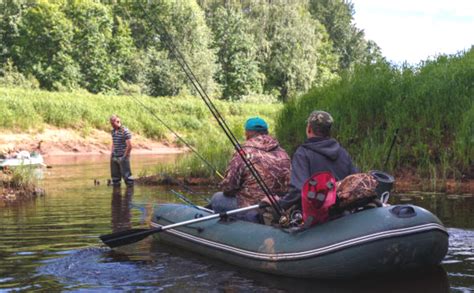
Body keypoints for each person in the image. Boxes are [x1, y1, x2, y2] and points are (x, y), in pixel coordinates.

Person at [210, 117, 291, 222]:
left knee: (218, 198)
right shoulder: (282, 152)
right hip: (277, 207)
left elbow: (228, 188)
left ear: (247, 133)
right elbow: (289, 187)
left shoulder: (243, 152)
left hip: (253, 209)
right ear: (267, 132)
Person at [278, 110, 358, 211]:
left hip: (318, 216)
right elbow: (355, 181)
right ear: (329, 130)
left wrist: (280, 204)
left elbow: (299, 191)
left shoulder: (302, 153)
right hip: (343, 211)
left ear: (309, 129)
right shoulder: (342, 152)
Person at [110, 114, 134, 187]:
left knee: (127, 178)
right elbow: (114, 143)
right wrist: (111, 154)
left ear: (118, 121)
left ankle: (129, 195)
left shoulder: (125, 131)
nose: (112, 125)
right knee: (115, 179)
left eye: (113, 123)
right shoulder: (113, 131)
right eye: (111, 123)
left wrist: (124, 157)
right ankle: (116, 195)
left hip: (123, 156)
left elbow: (130, 146)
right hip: (114, 156)